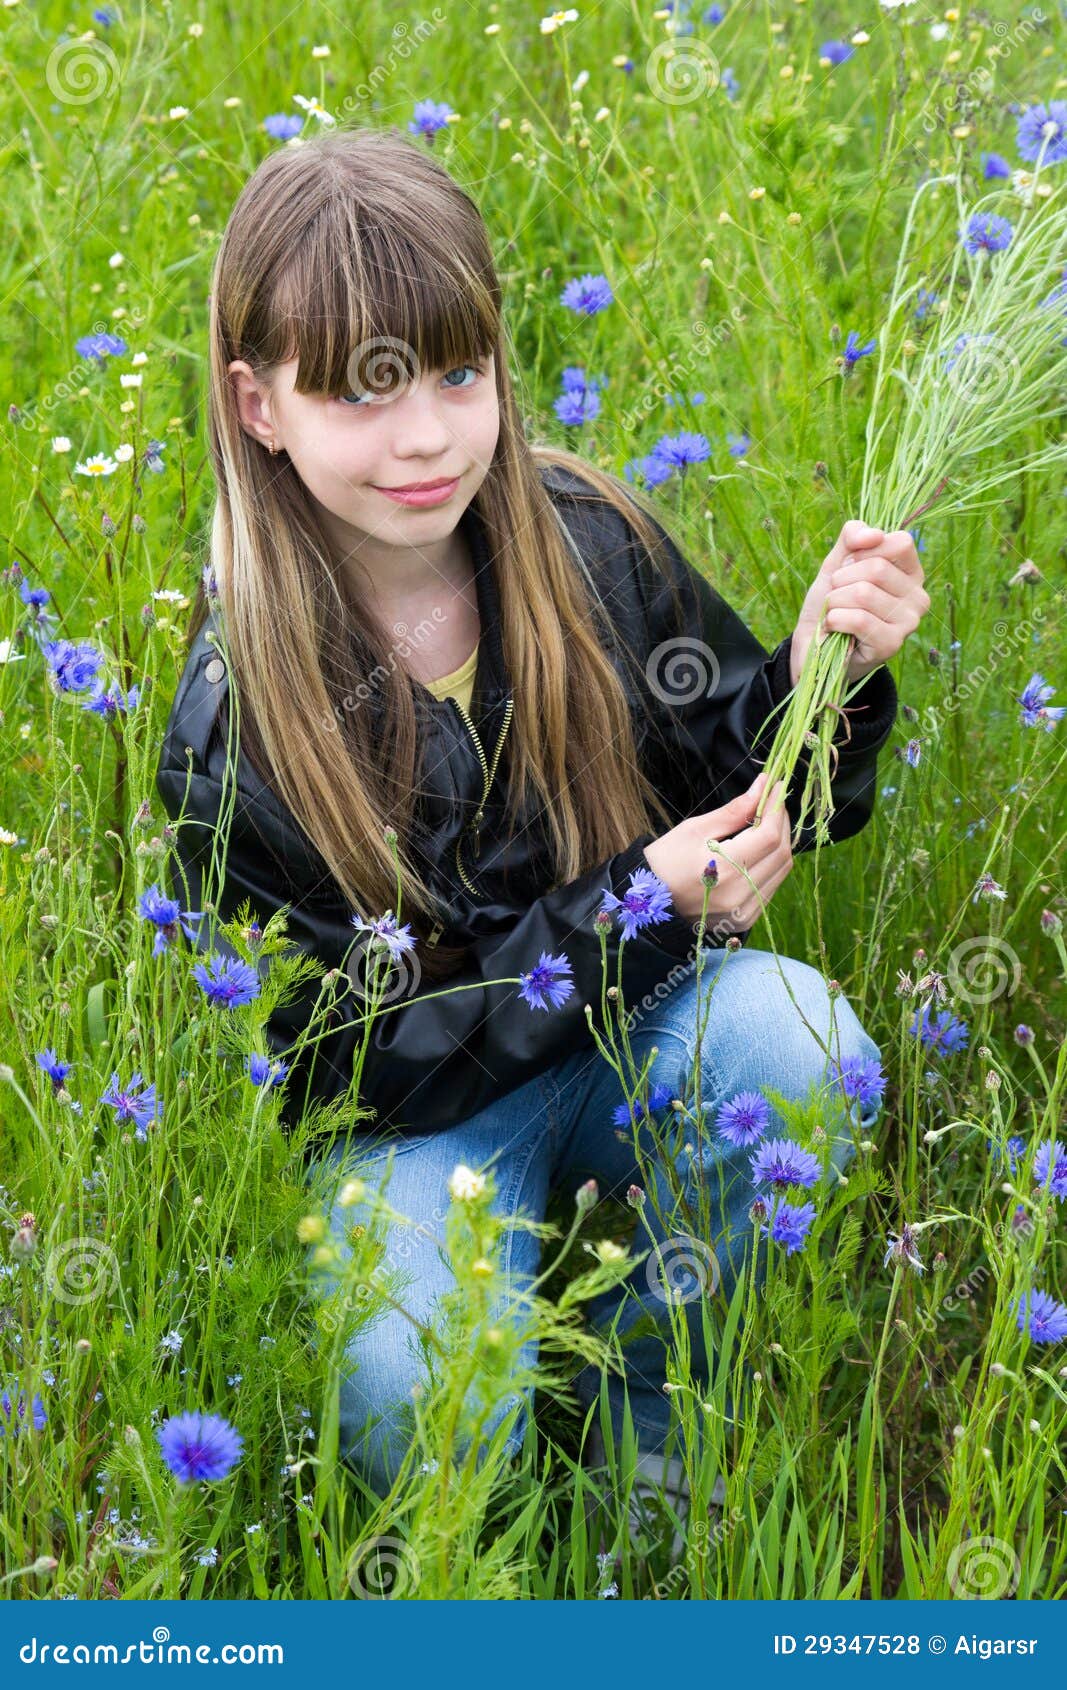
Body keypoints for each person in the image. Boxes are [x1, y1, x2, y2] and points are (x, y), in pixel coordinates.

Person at [154, 126, 929, 1501]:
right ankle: (490, 1519)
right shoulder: (241, 722)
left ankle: (642, 1430)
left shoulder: (588, 543)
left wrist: (826, 679)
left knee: (799, 1040)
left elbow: (740, 780)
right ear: (259, 404)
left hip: (625, 1042)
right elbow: (337, 1064)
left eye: (461, 371)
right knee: (420, 1383)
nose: (427, 435)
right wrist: (638, 897)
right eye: (359, 391)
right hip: (414, 1135)